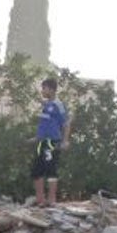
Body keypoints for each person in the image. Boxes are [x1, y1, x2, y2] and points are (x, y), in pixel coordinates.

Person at [30, 76, 69, 206]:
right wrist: (36, 138)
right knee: (37, 170)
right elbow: (45, 124)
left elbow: (66, 123)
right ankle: (40, 199)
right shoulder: (46, 106)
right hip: (42, 142)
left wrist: (65, 141)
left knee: (51, 169)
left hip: (52, 142)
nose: (42, 91)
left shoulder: (58, 105)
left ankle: (51, 199)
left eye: (44, 88)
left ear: (51, 90)